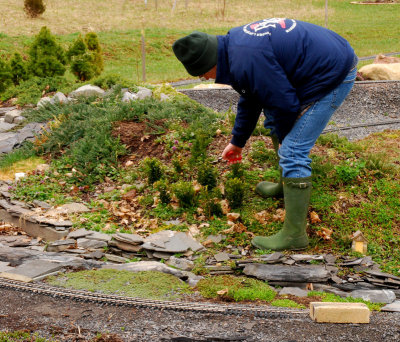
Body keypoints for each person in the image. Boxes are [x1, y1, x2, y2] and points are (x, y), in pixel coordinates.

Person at [172, 18, 357, 251]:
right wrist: (237, 142)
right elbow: (253, 95)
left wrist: (285, 137)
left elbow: (286, 105)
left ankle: (294, 236)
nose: (205, 79)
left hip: (334, 73)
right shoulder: (234, 48)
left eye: (202, 73)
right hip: (320, 60)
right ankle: (285, 184)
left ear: (211, 61)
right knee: (274, 117)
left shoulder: (246, 59)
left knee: (293, 149)